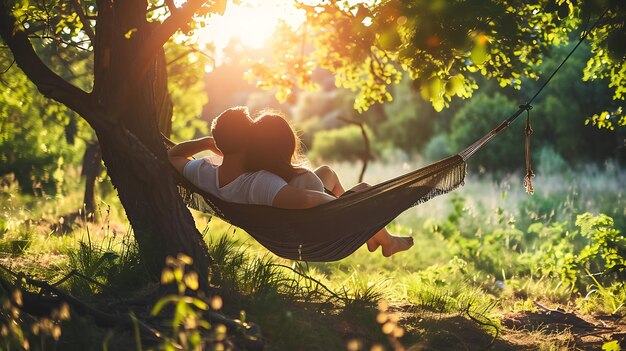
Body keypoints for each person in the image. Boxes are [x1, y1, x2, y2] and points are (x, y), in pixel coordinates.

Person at [247, 112, 414, 257]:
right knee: (364, 190)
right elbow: (310, 199)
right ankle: (387, 241)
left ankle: (374, 237)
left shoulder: (256, 177)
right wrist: (347, 207)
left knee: (327, 172)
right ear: (287, 145)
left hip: (292, 222)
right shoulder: (302, 178)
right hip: (315, 232)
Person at [168, 106, 336, 208]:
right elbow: (308, 200)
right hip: (312, 225)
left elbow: (173, 155)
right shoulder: (259, 183)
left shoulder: (203, 172)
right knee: (361, 187)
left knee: (326, 172)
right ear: (250, 140)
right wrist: (341, 205)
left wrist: (207, 142)